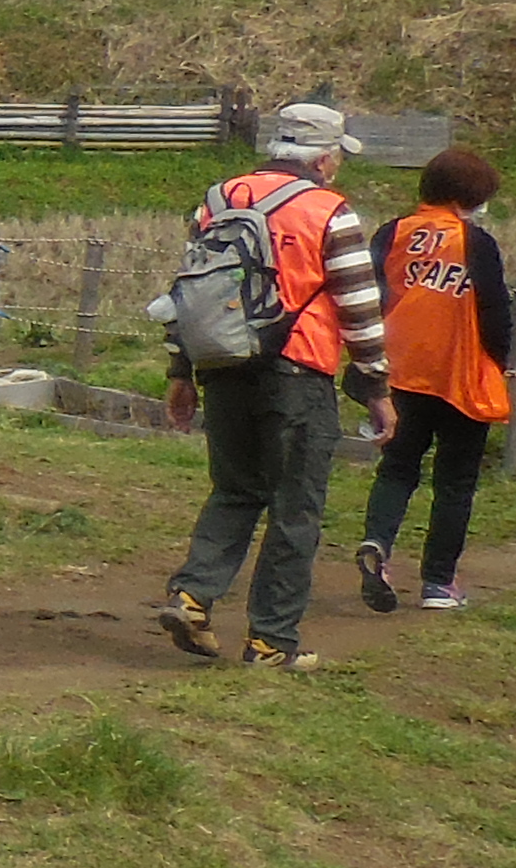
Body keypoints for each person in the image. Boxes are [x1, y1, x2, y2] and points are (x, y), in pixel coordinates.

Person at [155, 100, 392, 673]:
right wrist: (377, 387)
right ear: (326, 158)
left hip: (222, 365)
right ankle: (270, 641)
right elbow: (359, 307)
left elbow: (186, 291)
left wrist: (180, 371)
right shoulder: (329, 211)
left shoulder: (218, 199)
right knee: (295, 508)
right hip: (298, 370)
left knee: (234, 489)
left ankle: (191, 596)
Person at [357, 147, 514, 616]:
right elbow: (495, 312)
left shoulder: (393, 232)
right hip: (459, 373)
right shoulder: (475, 241)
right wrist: (498, 364)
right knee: (455, 482)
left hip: (399, 371)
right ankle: (438, 582)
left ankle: (377, 545)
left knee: (398, 466)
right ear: (472, 196)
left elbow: (369, 297)